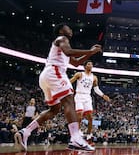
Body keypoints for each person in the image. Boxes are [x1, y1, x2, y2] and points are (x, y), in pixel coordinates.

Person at [15, 23, 102, 151]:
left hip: (46, 76)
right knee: (69, 101)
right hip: (54, 73)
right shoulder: (62, 39)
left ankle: (25, 132)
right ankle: (75, 138)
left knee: (54, 109)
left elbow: (76, 63)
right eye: (68, 27)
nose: (71, 30)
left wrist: (91, 53)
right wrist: (90, 51)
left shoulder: (63, 45)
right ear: (61, 31)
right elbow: (69, 52)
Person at [70, 60, 111, 145]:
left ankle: (89, 136)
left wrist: (103, 95)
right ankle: (76, 134)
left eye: (92, 64)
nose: (91, 65)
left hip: (87, 97)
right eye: (89, 64)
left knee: (90, 118)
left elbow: (96, 89)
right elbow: (70, 81)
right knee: (80, 114)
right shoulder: (79, 74)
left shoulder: (94, 77)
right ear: (85, 66)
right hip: (79, 96)